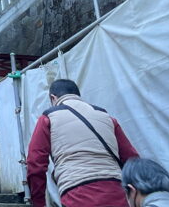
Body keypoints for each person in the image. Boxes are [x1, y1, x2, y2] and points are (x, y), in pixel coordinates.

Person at [27, 79, 139, 207]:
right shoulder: (107, 118)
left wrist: (38, 202)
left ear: (53, 98)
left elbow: (35, 163)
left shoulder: (48, 118)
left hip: (77, 192)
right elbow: (132, 159)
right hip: (115, 189)